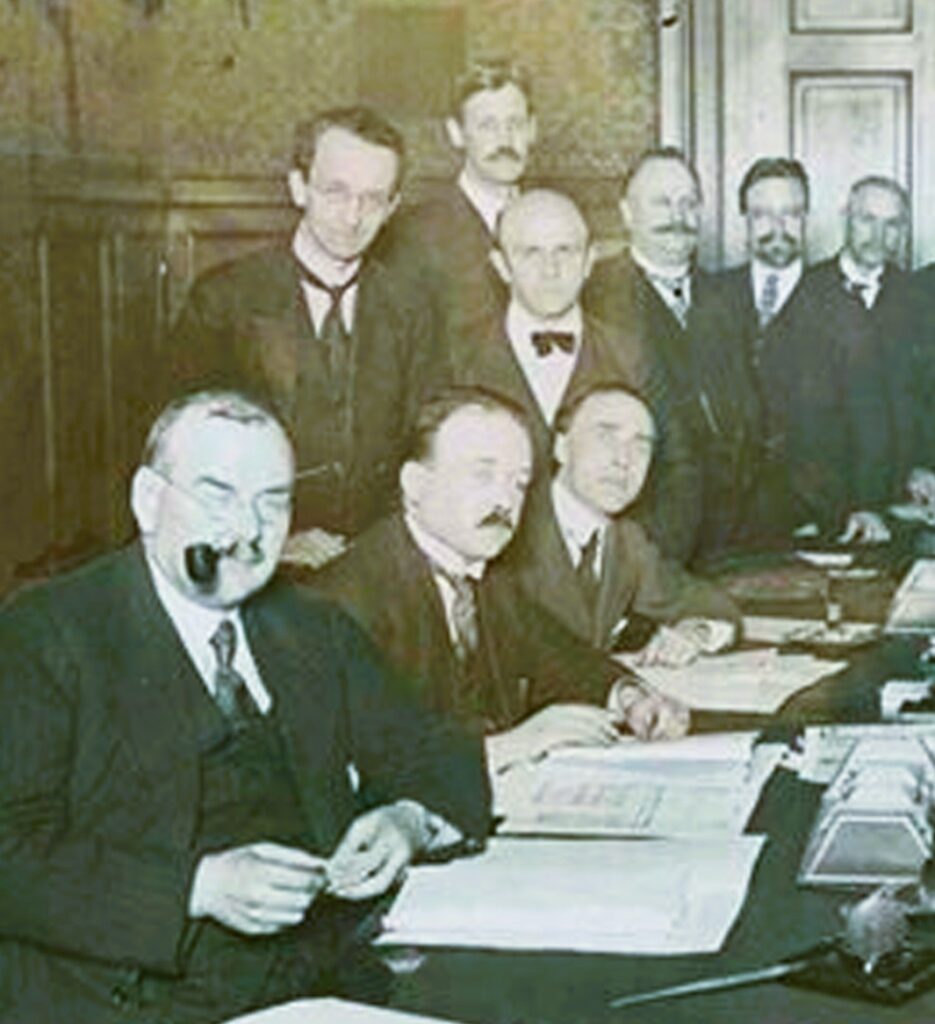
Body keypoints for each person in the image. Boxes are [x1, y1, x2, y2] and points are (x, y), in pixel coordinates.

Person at [0, 390, 488, 1023]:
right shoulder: (46, 633)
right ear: (148, 500)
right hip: (120, 1000)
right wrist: (196, 888)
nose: (249, 530)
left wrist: (408, 821)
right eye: (218, 495)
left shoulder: (312, 628)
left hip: (316, 989)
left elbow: (442, 754)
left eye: (272, 501)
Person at [318, 386, 689, 778]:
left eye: (519, 483)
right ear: (416, 484)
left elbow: (560, 657)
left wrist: (629, 696)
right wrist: (510, 745)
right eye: (483, 475)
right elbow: (361, 765)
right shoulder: (344, 600)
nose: (504, 502)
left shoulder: (487, 576)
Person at [168, 107, 447, 570]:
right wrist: (273, 542)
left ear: (393, 206)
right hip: (254, 561)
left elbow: (427, 446)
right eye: (336, 192)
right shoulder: (224, 300)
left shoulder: (412, 306)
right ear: (298, 187)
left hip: (376, 568)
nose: (353, 217)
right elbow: (184, 451)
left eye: (373, 199)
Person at [451, 188, 700, 561]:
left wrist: (629, 571)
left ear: (588, 261)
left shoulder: (634, 356)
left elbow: (680, 475)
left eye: (565, 251)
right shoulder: (457, 357)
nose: (550, 270)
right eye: (531, 252)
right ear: (501, 266)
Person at [585, 148, 761, 563]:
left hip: (732, 535)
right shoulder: (595, 293)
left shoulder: (726, 298)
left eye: (688, 203)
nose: (678, 216)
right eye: (662, 203)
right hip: (643, 532)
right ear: (627, 213)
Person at [508, 383, 740, 660]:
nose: (623, 459)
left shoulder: (626, 541)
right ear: (561, 447)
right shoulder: (511, 530)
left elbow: (713, 606)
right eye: (605, 436)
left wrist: (695, 632)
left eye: (640, 445)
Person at [788, 175, 911, 543]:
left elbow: (921, 403)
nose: (878, 235)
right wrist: (842, 508)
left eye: (892, 224)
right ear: (845, 217)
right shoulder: (805, 294)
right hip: (822, 509)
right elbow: (798, 426)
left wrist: (922, 468)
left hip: (900, 507)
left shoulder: (918, 298)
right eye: (867, 220)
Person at [699, 156, 812, 546]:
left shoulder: (836, 301)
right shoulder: (709, 296)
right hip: (716, 519)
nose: (778, 228)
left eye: (791, 214)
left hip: (811, 520)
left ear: (807, 218)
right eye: (762, 215)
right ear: (743, 220)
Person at [387, 57, 537, 339]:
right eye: (487, 126)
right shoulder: (413, 235)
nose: (505, 140)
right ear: (456, 133)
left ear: (532, 129)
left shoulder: (557, 223)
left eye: (515, 124)